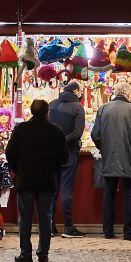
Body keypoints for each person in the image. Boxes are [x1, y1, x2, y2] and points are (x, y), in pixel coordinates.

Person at [5, 98, 67, 262]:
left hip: (25, 179)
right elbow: (64, 157)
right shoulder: (56, 131)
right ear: (48, 112)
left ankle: (25, 253)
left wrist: (17, 169)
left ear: (31, 112)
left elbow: (9, 153)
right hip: (47, 180)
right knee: (45, 218)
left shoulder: (21, 129)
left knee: (24, 218)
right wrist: (53, 168)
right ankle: (43, 253)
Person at [90, 80, 131, 240]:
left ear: (115, 93)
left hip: (109, 157)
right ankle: (129, 232)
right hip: (130, 156)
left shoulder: (103, 109)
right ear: (128, 94)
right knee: (129, 193)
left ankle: (108, 231)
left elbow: (95, 134)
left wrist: (104, 147)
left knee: (109, 193)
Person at [48, 80, 86, 238]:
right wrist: (64, 140)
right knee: (66, 189)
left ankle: (49, 224)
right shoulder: (78, 108)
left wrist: (55, 141)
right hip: (69, 152)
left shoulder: (51, 105)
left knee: (53, 189)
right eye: (81, 90)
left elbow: (46, 127)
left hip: (51, 153)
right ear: (76, 91)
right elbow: (77, 133)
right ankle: (68, 226)